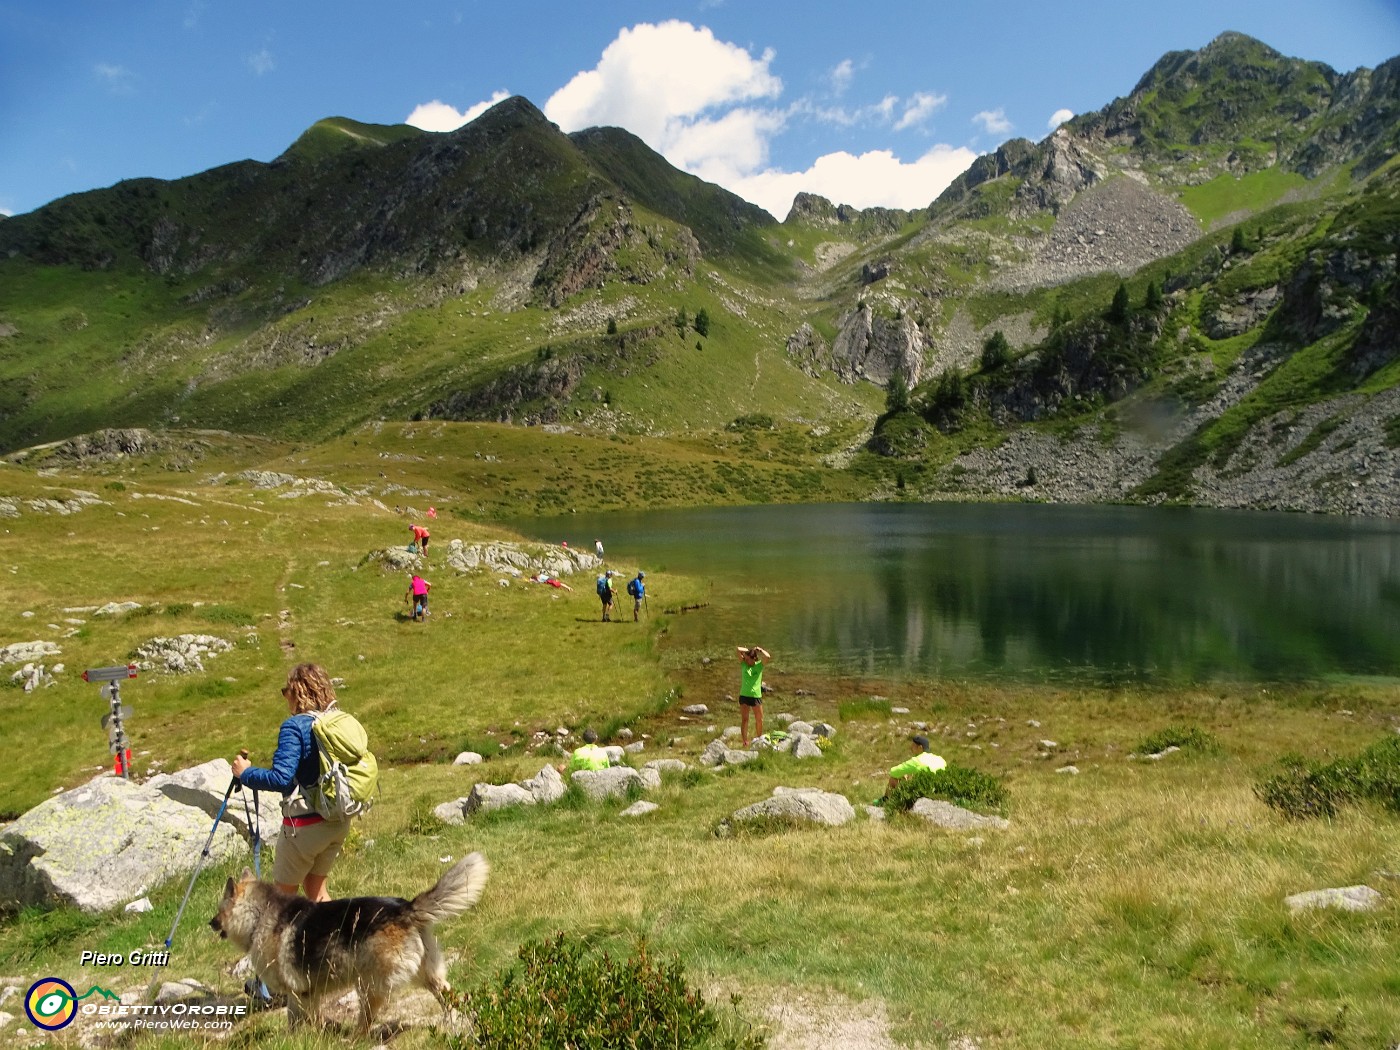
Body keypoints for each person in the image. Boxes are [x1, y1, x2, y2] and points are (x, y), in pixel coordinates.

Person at [231, 663, 350, 902]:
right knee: (316, 890)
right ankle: (335, 938)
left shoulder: (294, 727)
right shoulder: (337, 722)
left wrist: (245, 773)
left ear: (297, 693)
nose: (286, 698)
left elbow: (281, 778)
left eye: (287, 691)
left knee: (281, 904)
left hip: (305, 826)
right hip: (338, 819)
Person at [735, 645, 771, 747]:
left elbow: (768, 656)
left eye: (748, 659)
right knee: (745, 719)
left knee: (759, 719)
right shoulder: (744, 664)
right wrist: (749, 650)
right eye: (745, 659)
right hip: (744, 695)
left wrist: (760, 650)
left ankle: (759, 739)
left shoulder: (759, 665)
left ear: (754, 659)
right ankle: (745, 742)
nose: (746, 661)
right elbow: (738, 649)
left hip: (756, 696)